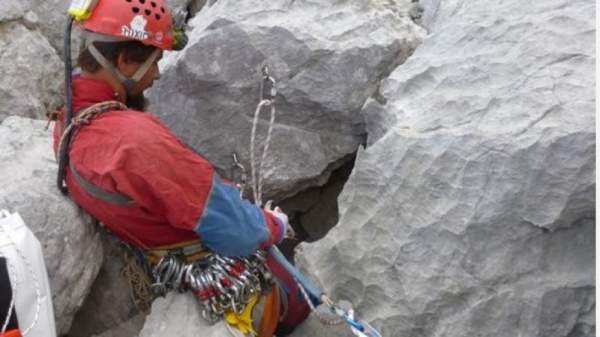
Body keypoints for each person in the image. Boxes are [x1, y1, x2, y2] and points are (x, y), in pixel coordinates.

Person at [51, 0, 309, 334]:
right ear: (124, 62)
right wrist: (274, 225)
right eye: (154, 62)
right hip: (209, 265)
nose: (157, 75)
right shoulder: (133, 141)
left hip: (162, 261)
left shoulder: (68, 122)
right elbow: (236, 230)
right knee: (298, 290)